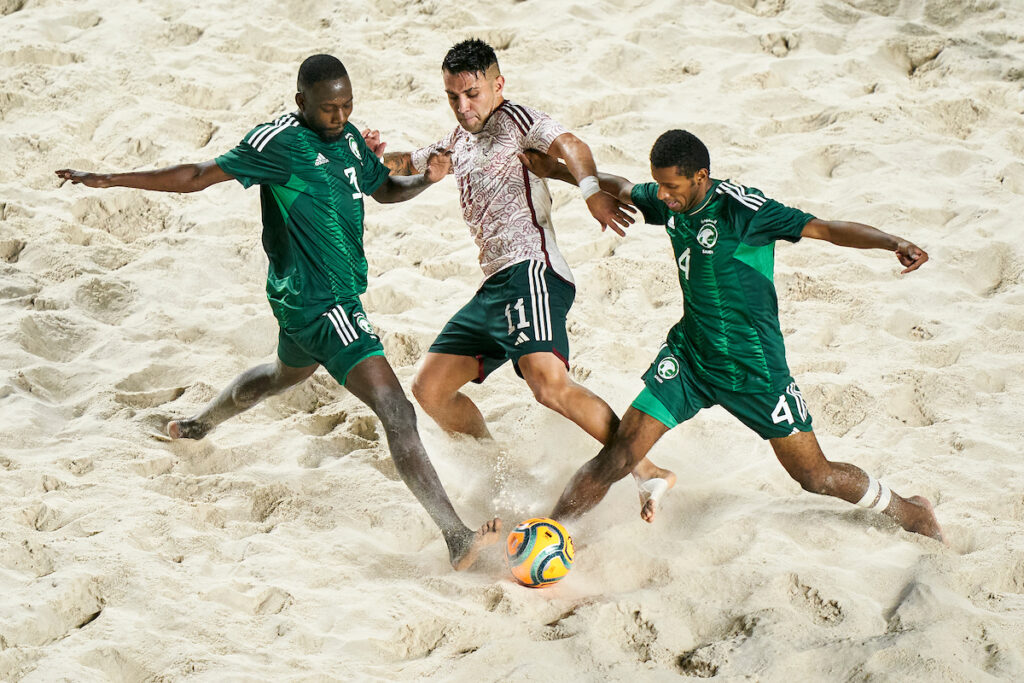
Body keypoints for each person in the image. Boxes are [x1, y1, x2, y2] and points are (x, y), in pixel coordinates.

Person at [54, 54, 502, 570]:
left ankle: (198, 425)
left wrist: (425, 179)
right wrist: (112, 179)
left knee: (281, 373)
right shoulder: (278, 143)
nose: (339, 117)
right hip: (324, 303)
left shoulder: (351, 139)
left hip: (303, 304)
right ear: (301, 103)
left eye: (347, 105)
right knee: (396, 409)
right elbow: (198, 175)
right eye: (328, 108)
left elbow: (381, 189)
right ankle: (455, 538)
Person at [521, 129, 943, 540]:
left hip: (755, 368)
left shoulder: (745, 211)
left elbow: (826, 229)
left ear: (701, 178)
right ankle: (553, 531)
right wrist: (557, 172)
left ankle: (912, 513)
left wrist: (894, 242)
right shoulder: (672, 202)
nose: (664, 196)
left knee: (817, 476)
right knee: (619, 455)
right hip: (691, 359)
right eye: (660, 185)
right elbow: (626, 188)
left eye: (672, 187)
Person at [365, 39, 676, 522]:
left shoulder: (516, 121)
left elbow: (571, 145)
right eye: (453, 96)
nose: (463, 106)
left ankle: (646, 468)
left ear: (497, 84)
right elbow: (407, 162)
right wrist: (369, 156)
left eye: (471, 93)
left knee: (548, 386)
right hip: (495, 285)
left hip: (532, 269)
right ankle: (499, 468)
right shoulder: (458, 138)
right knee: (429, 389)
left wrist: (592, 192)